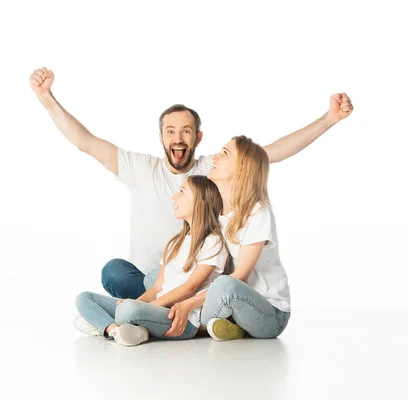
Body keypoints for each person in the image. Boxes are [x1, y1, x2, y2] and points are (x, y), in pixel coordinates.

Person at [29, 67, 354, 299]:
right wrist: (47, 98)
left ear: (197, 137)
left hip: (200, 280)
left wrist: (329, 119)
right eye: (170, 130)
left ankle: (164, 313)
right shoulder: (140, 168)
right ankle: (158, 309)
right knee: (115, 272)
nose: (178, 137)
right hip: (152, 281)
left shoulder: (212, 171)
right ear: (161, 137)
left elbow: (273, 153)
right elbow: (85, 141)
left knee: (199, 285)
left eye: (186, 130)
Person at [74, 175, 229, 346]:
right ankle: (115, 331)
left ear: (200, 201)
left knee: (128, 310)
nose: (174, 196)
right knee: (84, 298)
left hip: (181, 318)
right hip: (156, 309)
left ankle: (102, 325)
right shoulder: (175, 242)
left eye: (182, 192)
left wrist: (146, 307)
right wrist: (138, 302)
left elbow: (190, 287)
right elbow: (157, 286)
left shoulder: (212, 242)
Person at [165, 136, 291, 341]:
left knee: (225, 285)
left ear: (243, 167)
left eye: (225, 153)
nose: (215, 156)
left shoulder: (257, 211)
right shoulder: (216, 211)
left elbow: (239, 276)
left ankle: (183, 324)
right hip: (226, 299)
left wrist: (188, 303)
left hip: (269, 312)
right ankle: (224, 325)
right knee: (159, 276)